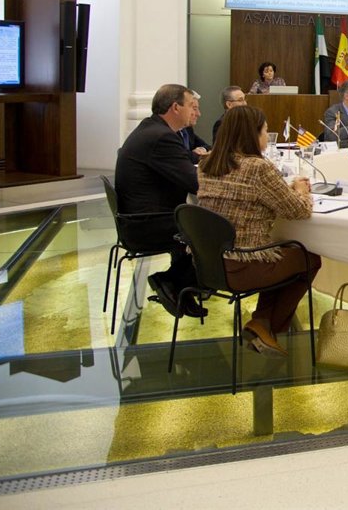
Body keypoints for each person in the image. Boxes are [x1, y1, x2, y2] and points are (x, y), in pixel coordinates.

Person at [196, 105, 322, 357]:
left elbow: (241, 192)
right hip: (243, 266)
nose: (266, 136)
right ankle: (270, 329)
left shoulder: (207, 163)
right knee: (308, 259)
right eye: (265, 131)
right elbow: (298, 210)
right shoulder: (257, 168)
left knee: (279, 253)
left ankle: (261, 323)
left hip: (207, 265)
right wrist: (300, 191)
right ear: (252, 135)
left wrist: (284, 189)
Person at [114, 84, 205, 318]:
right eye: (191, 106)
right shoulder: (162, 137)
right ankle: (174, 281)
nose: (196, 112)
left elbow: (185, 166)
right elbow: (195, 183)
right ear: (175, 107)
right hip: (148, 225)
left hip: (139, 220)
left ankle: (181, 286)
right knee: (215, 230)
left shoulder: (152, 129)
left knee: (201, 222)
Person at [179, 90, 210, 164]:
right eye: (194, 109)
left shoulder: (187, 128)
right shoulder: (168, 132)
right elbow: (184, 157)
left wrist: (201, 149)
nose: (198, 114)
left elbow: (208, 146)